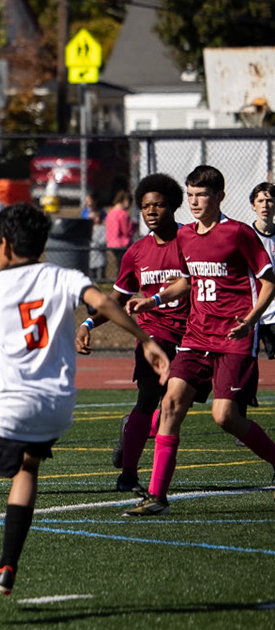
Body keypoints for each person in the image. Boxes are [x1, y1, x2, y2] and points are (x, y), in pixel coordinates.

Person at [0, 202, 168, 619]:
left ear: (5, 245)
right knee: (27, 469)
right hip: (57, 405)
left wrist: (1, 354)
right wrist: (147, 340)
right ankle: (7, 567)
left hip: (10, 402)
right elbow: (101, 302)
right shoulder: (64, 276)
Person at [122, 165, 275, 516]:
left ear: (219, 197)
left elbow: (269, 281)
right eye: (190, 195)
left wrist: (250, 320)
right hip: (195, 335)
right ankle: (157, 496)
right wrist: (154, 299)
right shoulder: (185, 236)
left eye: (201, 195)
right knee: (171, 404)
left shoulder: (238, 233)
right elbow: (186, 280)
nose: (194, 201)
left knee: (225, 417)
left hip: (233, 338)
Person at [82, 174, 188, 496]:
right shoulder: (136, 253)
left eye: (158, 205)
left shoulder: (191, 241)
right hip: (153, 335)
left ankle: (131, 431)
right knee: (148, 397)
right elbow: (114, 303)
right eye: (145, 207)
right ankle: (128, 474)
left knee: (181, 403)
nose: (151, 211)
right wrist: (87, 325)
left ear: (173, 206)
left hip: (194, 334)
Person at [251, 181, 275, 360]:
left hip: (274, 311)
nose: (264, 205)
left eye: (269, 200)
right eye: (260, 201)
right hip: (251, 310)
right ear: (253, 206)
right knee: (246, 361)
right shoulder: (245, 235)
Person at [103, 189, 136, 279]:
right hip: (122, 243)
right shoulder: (123, 214)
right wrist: (134, 227)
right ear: (125, 201)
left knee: (119, 263)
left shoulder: (110, 213)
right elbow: (126, 231)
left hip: (112, 242)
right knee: (123, 265)